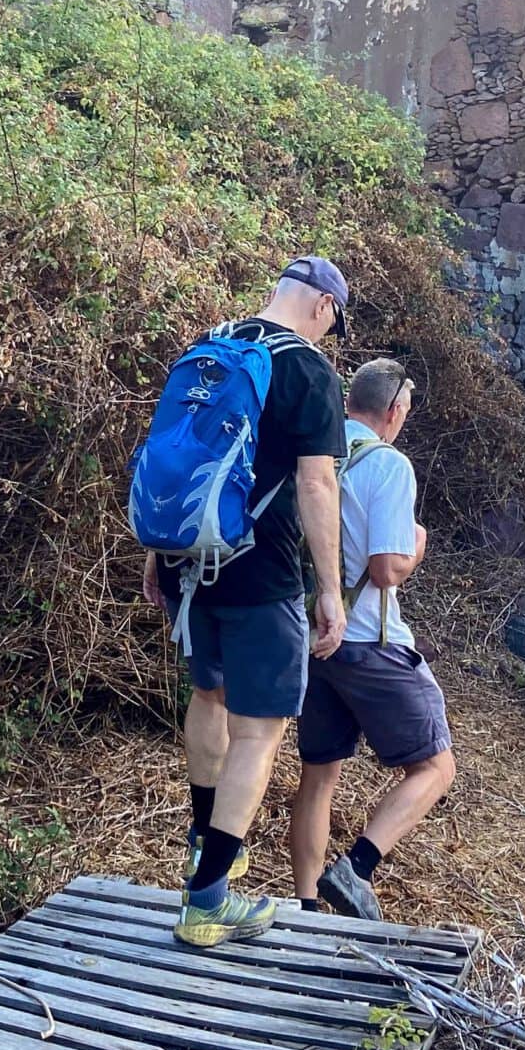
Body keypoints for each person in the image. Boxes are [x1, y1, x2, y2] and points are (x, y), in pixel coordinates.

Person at [144, 256, 351, 948]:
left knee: (209, 700)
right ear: (324, 305)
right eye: (334, 321)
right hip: (260, 574)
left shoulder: (209, 342)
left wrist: (159, 556)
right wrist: (329, 589)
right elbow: (318, 486)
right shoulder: (308, 369)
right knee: (260, 729)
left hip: (188, 562)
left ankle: (199, 854)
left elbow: (174, 458)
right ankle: (208, 900)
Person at [290, 358, 455, 923]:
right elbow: (387, 569)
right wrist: (419, 546)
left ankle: (308, 907)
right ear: (394, 411)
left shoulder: (312, 456)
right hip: (370, 643)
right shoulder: (388, 465)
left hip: (312, 641)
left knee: (318, 777)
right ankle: (355, 868)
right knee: (436, 768)